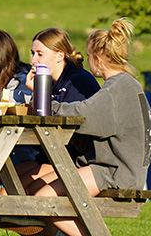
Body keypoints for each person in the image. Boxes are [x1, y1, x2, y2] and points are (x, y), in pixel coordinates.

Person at [1, 18, 151, 236]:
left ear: (98, 59)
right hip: (113, 168)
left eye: (89, 56)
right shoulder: (124, 84)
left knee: (43, 200)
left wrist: (45, 102)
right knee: (39, 197)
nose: (87, 61)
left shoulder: (117, 89)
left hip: (115, 172)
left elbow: (83, 116)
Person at [15, 27, 101, 191]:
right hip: (50, 156)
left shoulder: (78, 81)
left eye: (40, 54)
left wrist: (38, 93)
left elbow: (68, 133)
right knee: (1, 183)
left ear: (60, 56)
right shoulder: (50, 81)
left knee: (25, 191)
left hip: (75, 160)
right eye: (32, 53)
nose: (33, 60)